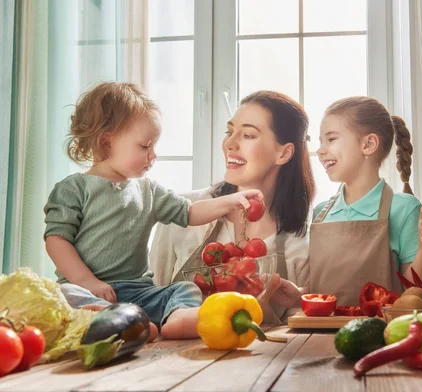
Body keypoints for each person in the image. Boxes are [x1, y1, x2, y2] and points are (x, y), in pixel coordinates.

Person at [44, 82, 262, 339]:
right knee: (64, 295)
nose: (154, 154)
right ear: (106, 143)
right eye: (145, 146)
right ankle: (114, 319)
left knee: (183, 289)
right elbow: (56, 241)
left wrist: (230, 201)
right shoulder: (74, 188)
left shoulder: (149, 191)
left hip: (138, 292)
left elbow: (189, 213)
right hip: (85, 289)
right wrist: (88, 282)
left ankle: (174, 318)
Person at [149, 90, 316, 323]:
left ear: (284, 152)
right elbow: (150, 300)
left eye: (248, 135)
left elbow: (294, 337)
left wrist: (266, 311)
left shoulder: (301, 243)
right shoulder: (183, 212)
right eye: (229, 132)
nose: (229, 143)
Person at [310, 96, 422, 305]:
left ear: (368, 144)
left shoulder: (404, 208)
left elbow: (413, 288)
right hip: (319, 331)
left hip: (381, 331)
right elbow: (314, 288)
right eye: (320, 142)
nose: (320, 150)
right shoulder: (320, 213)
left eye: (331, 139)